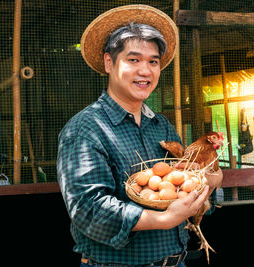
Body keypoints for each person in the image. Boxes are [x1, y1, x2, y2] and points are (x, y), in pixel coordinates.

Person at [57, 5, 221, 267]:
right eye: (133, 60)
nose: (145, 71)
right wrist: (163, 219)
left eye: (153, 61)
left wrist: (210, 183)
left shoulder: (161, 126)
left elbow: (183, 191)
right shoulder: (86, 129)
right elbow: (88, 211)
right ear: (109, 63)